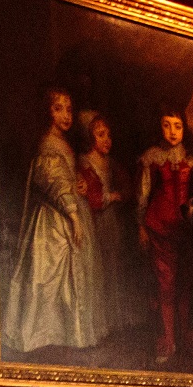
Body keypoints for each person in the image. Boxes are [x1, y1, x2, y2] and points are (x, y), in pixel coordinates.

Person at [6, 88, 92, 353]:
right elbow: (53, 183)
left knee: (66, 279)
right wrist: (74, 215)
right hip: (54, 219)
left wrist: (79, 183)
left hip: (68, 211)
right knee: (48, 279)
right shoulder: (48, 144)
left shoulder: (61, 142)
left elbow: (65, 178)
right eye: (58, 108)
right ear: (47, 111)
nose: (66, 115)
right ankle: (42, 336)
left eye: (68, 108)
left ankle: (66, 334)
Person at [136, 113, 193, 363]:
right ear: (159, 128)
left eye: (178, 126)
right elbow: (142, 195)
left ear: (184, 129)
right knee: (165, 284)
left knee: (185, 284)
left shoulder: (191, 160)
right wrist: (140, 226)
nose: (172, 131)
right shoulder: (151, 158)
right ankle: (168, 342)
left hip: (184, 231)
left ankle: (186, 340)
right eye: (167, 126)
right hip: (159, 228)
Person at [67, 109, 123, 347]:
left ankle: (111, 320)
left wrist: (122, 194)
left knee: (112, 269)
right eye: (101, 135)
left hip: (111, 223)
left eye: (108, 134)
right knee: (96, 271)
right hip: (94, 223)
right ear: (90, 138)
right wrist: (111, 196)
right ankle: (98, 324)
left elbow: (127, 187)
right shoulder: (84, 162)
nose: (107, 139)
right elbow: (92, 198)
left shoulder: (110, 162)